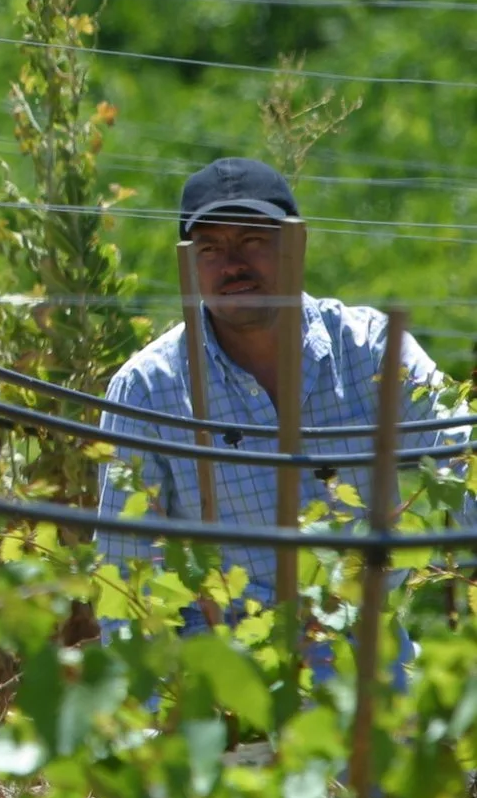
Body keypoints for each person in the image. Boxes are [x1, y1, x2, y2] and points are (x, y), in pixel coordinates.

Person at [93, 157, 465, 628]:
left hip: (364, 658)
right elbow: (125, 580)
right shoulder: (146, 389)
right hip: (225, 673)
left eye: (252, 240)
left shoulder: (371, 350)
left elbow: (463, 456)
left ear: (296, 245)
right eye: (210, 249)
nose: (233, 265)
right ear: (187, 264)